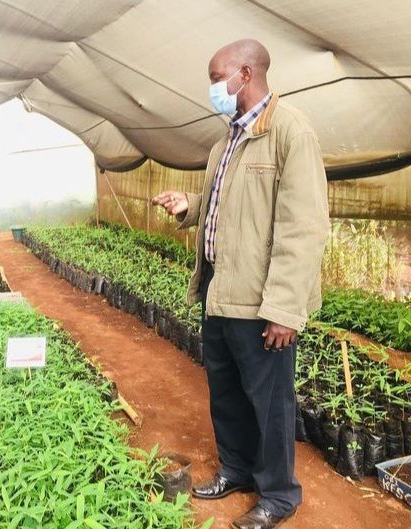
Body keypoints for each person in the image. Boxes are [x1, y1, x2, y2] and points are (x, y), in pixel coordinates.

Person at [153, 39, 330, 529]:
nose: (212, 88)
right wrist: (189, 205)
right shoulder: (225, 141)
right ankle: (236, 470)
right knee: (226, 392)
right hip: (220, 292)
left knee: (270, 404)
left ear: (245, 74)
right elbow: (226, 206)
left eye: (217, 77)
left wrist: (285, 308)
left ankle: (278, 494)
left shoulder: (290, 133)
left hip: (260, 301)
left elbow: (303, 227)